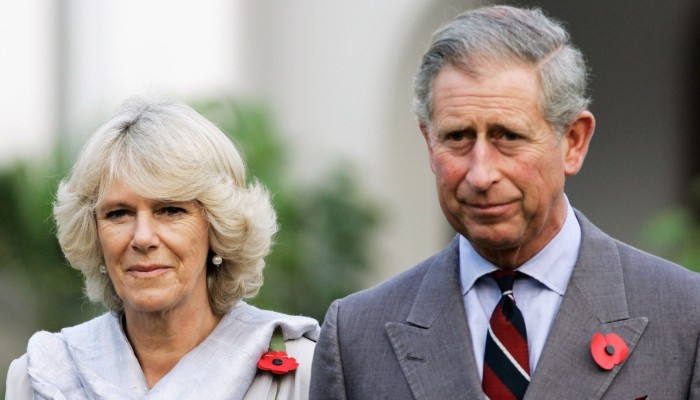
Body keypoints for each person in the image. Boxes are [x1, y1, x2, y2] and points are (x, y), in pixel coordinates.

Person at [310, 5, 700, 399]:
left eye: (509, 137)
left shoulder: (686, 316)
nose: (481, 175)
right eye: (457, 137)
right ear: (429, 142)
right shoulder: (356, 337)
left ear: (573, 141)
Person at [6, 97, 319, 399]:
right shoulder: (42, 377)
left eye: (170, 210)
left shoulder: (302, 373)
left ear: (219, 227)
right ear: (93, 234)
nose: (143, 238)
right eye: (119, 213)